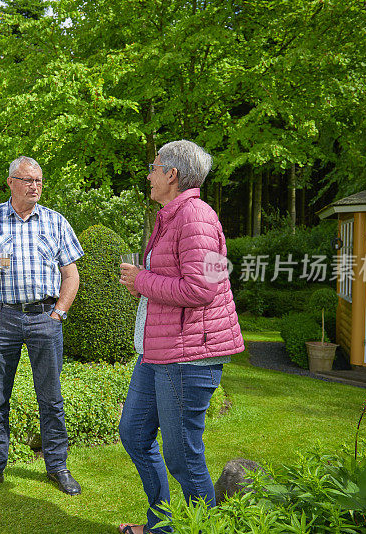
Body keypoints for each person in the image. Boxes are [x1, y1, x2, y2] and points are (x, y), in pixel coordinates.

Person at [117, 140, 244, 534]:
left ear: (172, 174)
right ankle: (162, 525)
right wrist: (146, 283)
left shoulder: (196, 216)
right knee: (135, 434)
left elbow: (203, 288)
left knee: (182, 457)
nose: (149, 175)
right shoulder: (171, 215)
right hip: (159, 352)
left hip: (189, 357)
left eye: (153, 167)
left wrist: (141, 279)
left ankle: (201, 529)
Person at [0, 156, 84, 496]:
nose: (35, 186)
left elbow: (71, 274)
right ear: (11, 182)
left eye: (39, 181)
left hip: (45, 317)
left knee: (51, 398)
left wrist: (58, 313)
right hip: (0, 317)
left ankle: (58, 467)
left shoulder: (56, 222)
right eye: (28, 180)